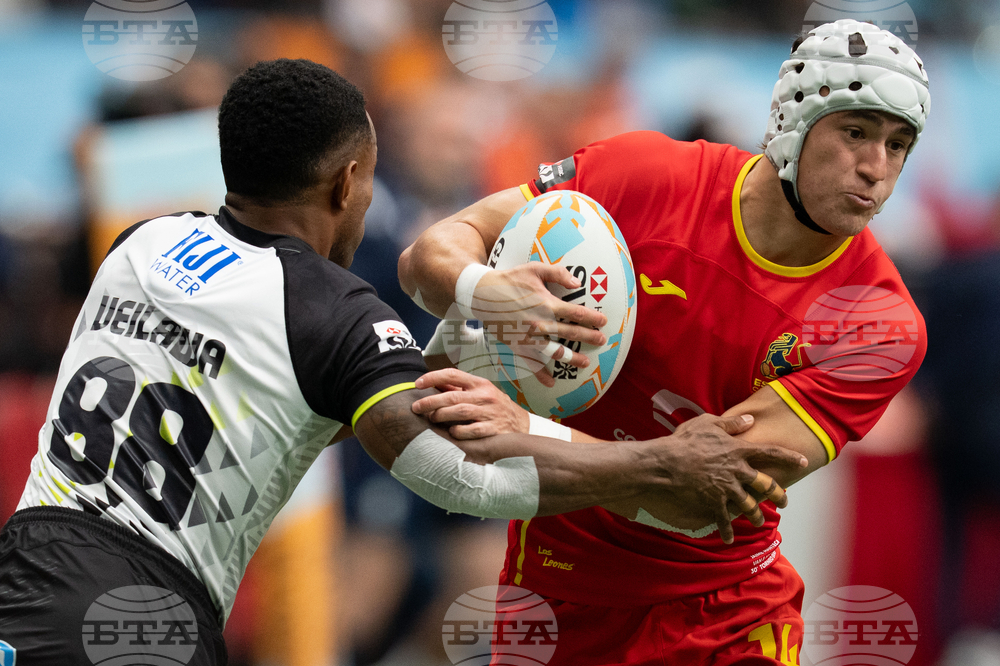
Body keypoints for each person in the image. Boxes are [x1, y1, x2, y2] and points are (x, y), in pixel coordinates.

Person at [0, 59, 804, 665]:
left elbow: (282, 398)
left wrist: (461, 346)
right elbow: (459, 475)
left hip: (21, 581)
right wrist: (657, 467)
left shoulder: (139, 246)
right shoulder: (331, 308)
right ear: (349, 182)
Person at [399, 20, 930, 665]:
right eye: (855, 133)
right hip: (555, 589)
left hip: (728, 614)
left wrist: (526, 434)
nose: (877, 167)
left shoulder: (879, 323)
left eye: (898, 145)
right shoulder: (645, 176)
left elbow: (696, 501)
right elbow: (429, 253)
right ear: (794, 120)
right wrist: (487, 291)